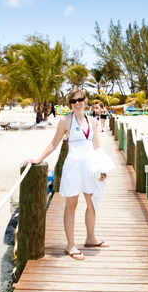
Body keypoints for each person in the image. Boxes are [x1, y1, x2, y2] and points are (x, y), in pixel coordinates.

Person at [26, 88, 108, 261]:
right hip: (73, 169)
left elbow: (97, 148)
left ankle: (90, 238)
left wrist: (102, 167)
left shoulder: (92, 121)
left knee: (92, 203)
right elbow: (54, 143)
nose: (77, 103)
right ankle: (70, 245)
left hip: (90, 169)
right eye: (73, 101)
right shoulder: (65, 121)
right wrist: (39, 158)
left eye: (80, 100)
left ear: (85, 100)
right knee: (72, 204)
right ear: (70, 103)